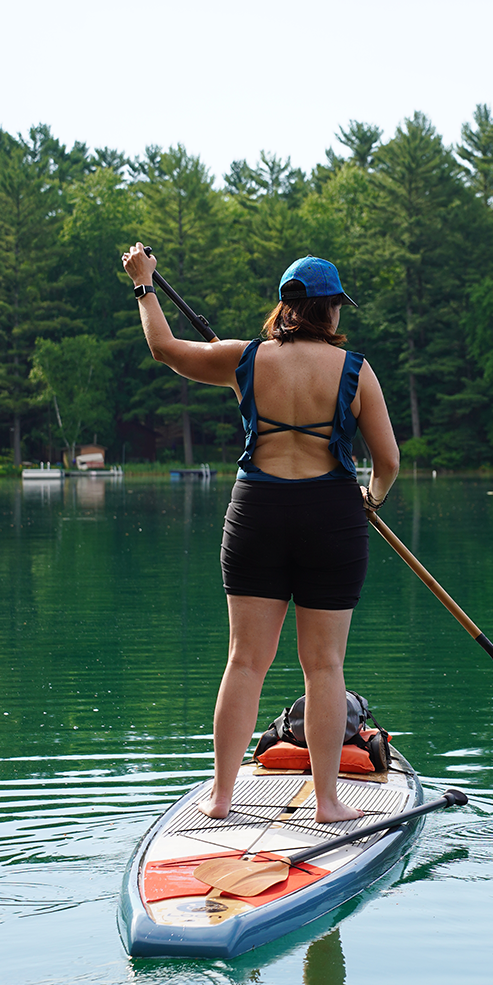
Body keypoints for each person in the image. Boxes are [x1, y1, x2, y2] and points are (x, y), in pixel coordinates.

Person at [121, 246, 399, 823]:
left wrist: (145, 284)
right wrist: (369, 498)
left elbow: (163, 350)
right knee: (323, 665)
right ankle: (327, 803)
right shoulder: (356, 371)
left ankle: (221, 799)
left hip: (257, 515)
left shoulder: (243, 359)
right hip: (331, 519)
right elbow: (389, 461)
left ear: (284, 306)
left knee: (245, 661)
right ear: (329, 311)